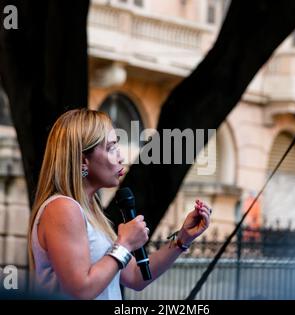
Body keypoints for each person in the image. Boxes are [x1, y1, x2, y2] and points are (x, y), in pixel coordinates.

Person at [27, 108, 212, 300]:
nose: (121, 157)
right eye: (111, 147)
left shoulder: (89, 211)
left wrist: (183, 239)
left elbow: (135, 275)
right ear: (83, 161)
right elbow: (81, 289)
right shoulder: (62, 208)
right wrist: (124, 244)